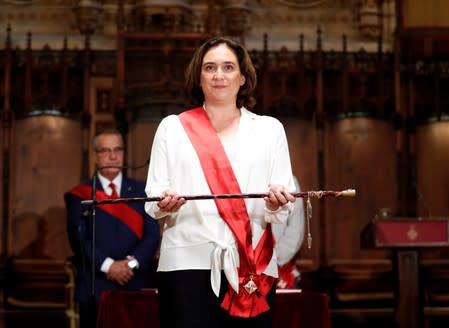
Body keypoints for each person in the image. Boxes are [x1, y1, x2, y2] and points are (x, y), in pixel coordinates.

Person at [144, 36, 297, 328]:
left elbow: (282, 202)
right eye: (209, 67)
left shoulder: (269, 130)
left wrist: (277, 201)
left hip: (252, 264)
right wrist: (164, 201)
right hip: (185, 263)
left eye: (228, 67)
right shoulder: (172, 128)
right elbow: (154, 195)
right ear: (198, 77)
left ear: (242, 77)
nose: (218, 75)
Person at [65, 129, 161, 328]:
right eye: (105, 150)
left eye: (118, 149)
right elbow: (79, 240)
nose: (113, 156)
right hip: (96, 284)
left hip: (136, 283)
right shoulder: (80, 194)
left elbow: (152, 235)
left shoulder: (143, 190)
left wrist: (130, 265)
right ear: (95, 156)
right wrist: (109, 266)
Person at [272, 175, 305, 289]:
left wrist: (274, 258)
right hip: (246, 266)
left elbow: (296, 230)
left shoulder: (289, 181)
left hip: (281, 265)